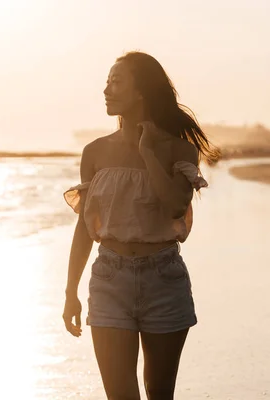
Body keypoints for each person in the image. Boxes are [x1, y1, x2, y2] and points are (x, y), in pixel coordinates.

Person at [62, 51, 220, 400]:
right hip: (109, 282)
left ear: (141, 92)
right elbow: (83, 229)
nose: (107, 90)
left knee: (159, 394)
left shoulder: (178, 149)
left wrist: (148, 152)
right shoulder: (95, 152)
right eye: (107, 81)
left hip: (164, 281)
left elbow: (176, 205)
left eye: (117, 81)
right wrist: (70, 291)